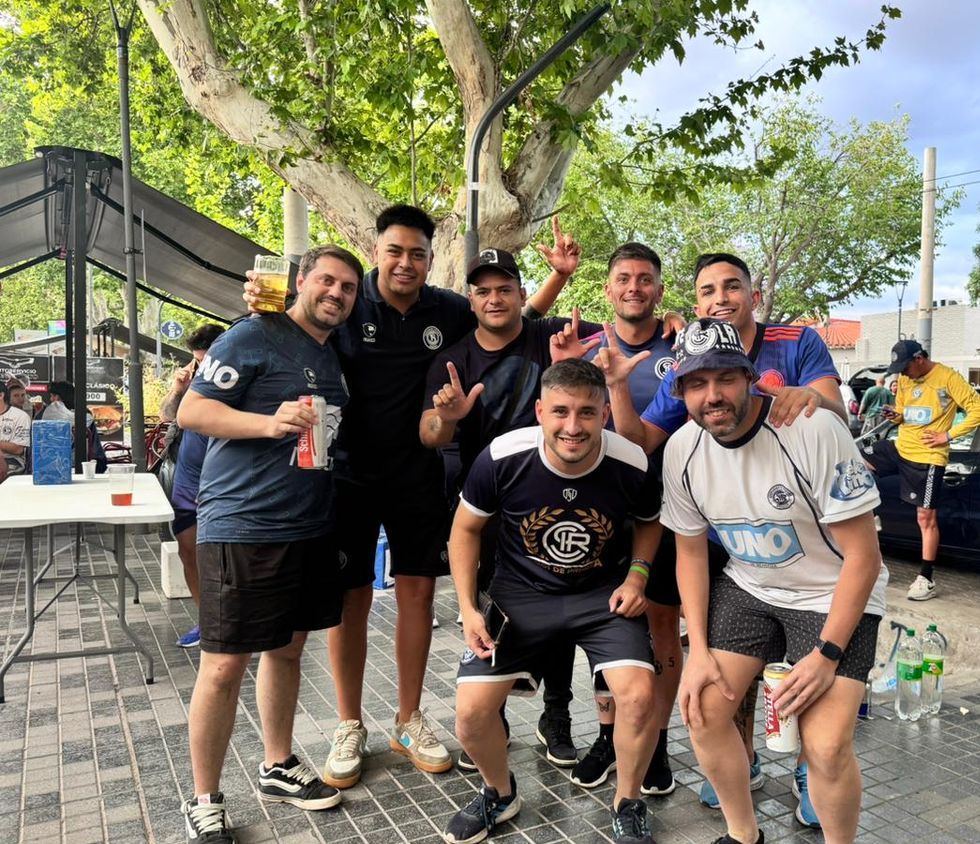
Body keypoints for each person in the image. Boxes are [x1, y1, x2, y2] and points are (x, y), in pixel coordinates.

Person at [243, 206, 575, 790]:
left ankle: (408, 717)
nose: (406, 263)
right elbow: (291, 324)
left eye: (417, 254)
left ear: (428, 258)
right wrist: (261, 301)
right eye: (395, 251)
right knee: (352, 602)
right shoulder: (346, 302)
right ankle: (350, 723)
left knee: (418, 593)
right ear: (377, 252)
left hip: (420, 472)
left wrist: (556, 281)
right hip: (344, 472)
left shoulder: (445, 306)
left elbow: (507, 320)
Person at [596, 251, 844, 815]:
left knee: (808, 658)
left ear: (753, 296)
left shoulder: (795, 340)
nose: (720, 299)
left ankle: (810, 770)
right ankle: (744, 754)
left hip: (803, 538)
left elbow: (833, 410)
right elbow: (643, 443)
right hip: (721, 536)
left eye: (732, 287)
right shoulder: (690, 360)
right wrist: (614, 387)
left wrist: (813, 400)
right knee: (735, 657)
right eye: (707, 291)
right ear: (695, 304)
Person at [660, 318, 885, 844]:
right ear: (681, 391)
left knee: (827, 743)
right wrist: (699, 651)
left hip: (833, 590)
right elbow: (689, 553)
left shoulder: (809, 429)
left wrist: (827, 654)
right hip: (752, 585)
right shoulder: (682, 450)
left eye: (726, 379)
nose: (713, 396)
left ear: (750, 379)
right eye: (696, 383)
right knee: (704, 706)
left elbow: (863, 556)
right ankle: (743, 838)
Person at [175, 245, 361, 844]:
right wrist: (268, 422)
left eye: (348, 287)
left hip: (308, 524)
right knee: (224, 666)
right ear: (300, 281)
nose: (337, 293)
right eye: (327, 281)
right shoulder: (251, 334)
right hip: (242, 526)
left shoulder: (330, 353)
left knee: (287, 650)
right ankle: (203, 799)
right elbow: (191, 411)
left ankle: (277, 763)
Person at [443, 359, 663, 844]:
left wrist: (637, 577)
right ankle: (499, 792)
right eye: (560, 411)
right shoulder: (502, 457)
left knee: (638, 695)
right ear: (541, 411)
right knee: (471, 715)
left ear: (605, 413)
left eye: (587, 413)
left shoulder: (630, 461)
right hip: (519, 595)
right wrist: (468, 607)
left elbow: (650, 525)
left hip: (602, 595)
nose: (573, 426)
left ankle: (628, 803)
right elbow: (464, 531)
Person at [421, 248, 604, 770]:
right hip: (483, 506)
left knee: (561, 605)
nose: (494, 298)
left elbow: (623, 327)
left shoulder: (545, 337)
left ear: (523, 296)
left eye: (505, 288)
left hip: (552, 502)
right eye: (483, 290)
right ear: (470, 300)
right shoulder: (452, 359)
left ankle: (556, 715)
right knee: (491, 611)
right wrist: (450, 419)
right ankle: (491, 718)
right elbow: (428, 435)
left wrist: (673, 322)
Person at [572, 242, 680, 795]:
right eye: (623, 278)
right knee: (606, 629)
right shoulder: (587, 345)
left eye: (644, 279)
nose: (634, 287)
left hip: (665, 512)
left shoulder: (680, 346)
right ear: (608, 288)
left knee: (662, 628)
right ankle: (608, 736)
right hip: (598, 516)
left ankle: (656, 741)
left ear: (659, 290)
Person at [861, 339, 980, 600]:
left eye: (905, 367)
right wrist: (895, 415)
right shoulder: (906, 378)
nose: (902, 373)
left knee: (925, 517)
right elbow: (904, 411)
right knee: (855, 463)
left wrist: (948, 435)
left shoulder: (948, 378)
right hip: (901, 446)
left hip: (927, 456)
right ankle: (870, 515)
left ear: (919, 359)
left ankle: (926, 578)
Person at [159, 324, 226, 649]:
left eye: (206, 360)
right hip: (188, 479)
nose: (201, 367)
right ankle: (207, 622)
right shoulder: (193, 379)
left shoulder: (237, 375)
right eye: (197, 361)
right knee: (188, 550)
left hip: (224, 481)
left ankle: (234, 621)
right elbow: (169, 415)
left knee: (226, 557)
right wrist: (178, 388)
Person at [0, 383, 32, 477]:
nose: (20, 398)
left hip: (12, 460)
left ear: (1, 395)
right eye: (16, 395)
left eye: (22, 395)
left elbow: (18, 449)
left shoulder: (20, 416)